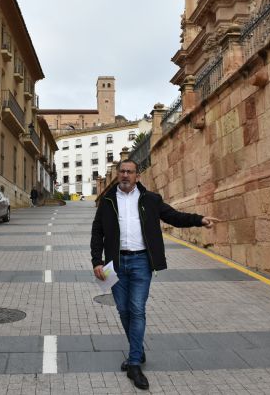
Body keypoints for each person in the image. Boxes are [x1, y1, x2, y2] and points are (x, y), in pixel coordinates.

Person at [91, 159, 220, 390]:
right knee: (123, 309)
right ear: (118, 175)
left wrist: (199, 220)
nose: (125, 175)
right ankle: (137, 353)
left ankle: (133, 363)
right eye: (122, 171)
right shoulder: (108, 201)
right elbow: (97, 231)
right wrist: (97, 261)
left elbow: (173, 216)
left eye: (130, 172)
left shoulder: (151, 200)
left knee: (137, 309)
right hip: (115, 262)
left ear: (137, 176)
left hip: (142, 261)